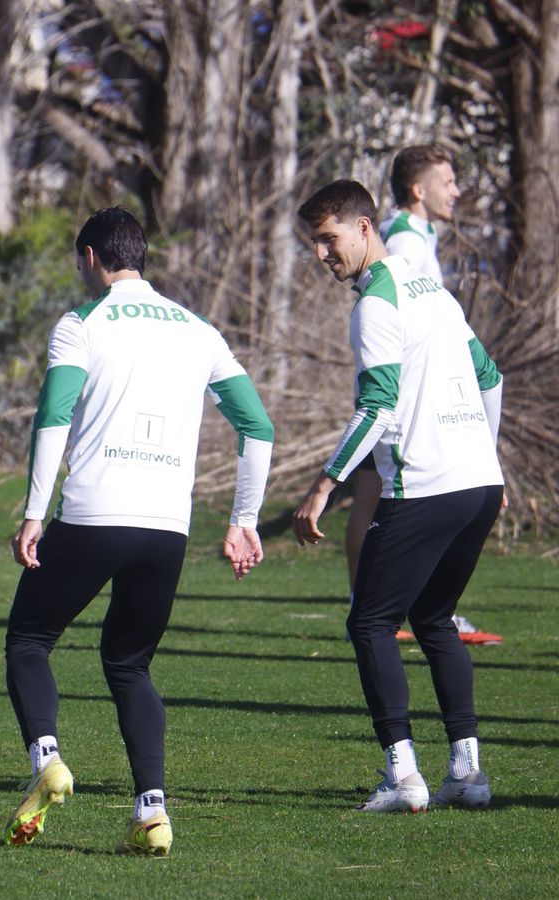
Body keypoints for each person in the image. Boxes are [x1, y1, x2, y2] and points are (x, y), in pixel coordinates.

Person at [3, 208, 273, 856]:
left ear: (92, 256)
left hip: (95, 513)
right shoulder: (197, 329)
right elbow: (258, 428)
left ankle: (47, 758)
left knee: (30, 640)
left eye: (79, 262)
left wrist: (37, 510)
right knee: (129, 663)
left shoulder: (81, 324)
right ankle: (152, 809)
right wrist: (243, 519)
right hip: (165, 527)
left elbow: (53, 418)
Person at [293, 180, 503, 814]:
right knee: (434, 617)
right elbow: (489, 377)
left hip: (427, 488)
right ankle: (467, 773)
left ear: (364, 227)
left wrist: (324, 485)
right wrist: (481, 454)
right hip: (478, 483)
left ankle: (403, 775)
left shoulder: (376, 304)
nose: (323, 256)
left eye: (329, 240)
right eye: (315, 245)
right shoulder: (428, 286)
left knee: (370, 621)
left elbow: (377, 408)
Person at [344, 147, 497, 644]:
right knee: (374, 497)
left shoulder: (419, 236)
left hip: (412, 398)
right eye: (447, 181)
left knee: (372, 496)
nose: (456, 190)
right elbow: (399, 320)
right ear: (418, 189)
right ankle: (376, 602)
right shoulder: (405, 243)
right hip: (404, 400)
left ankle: (380, 603)